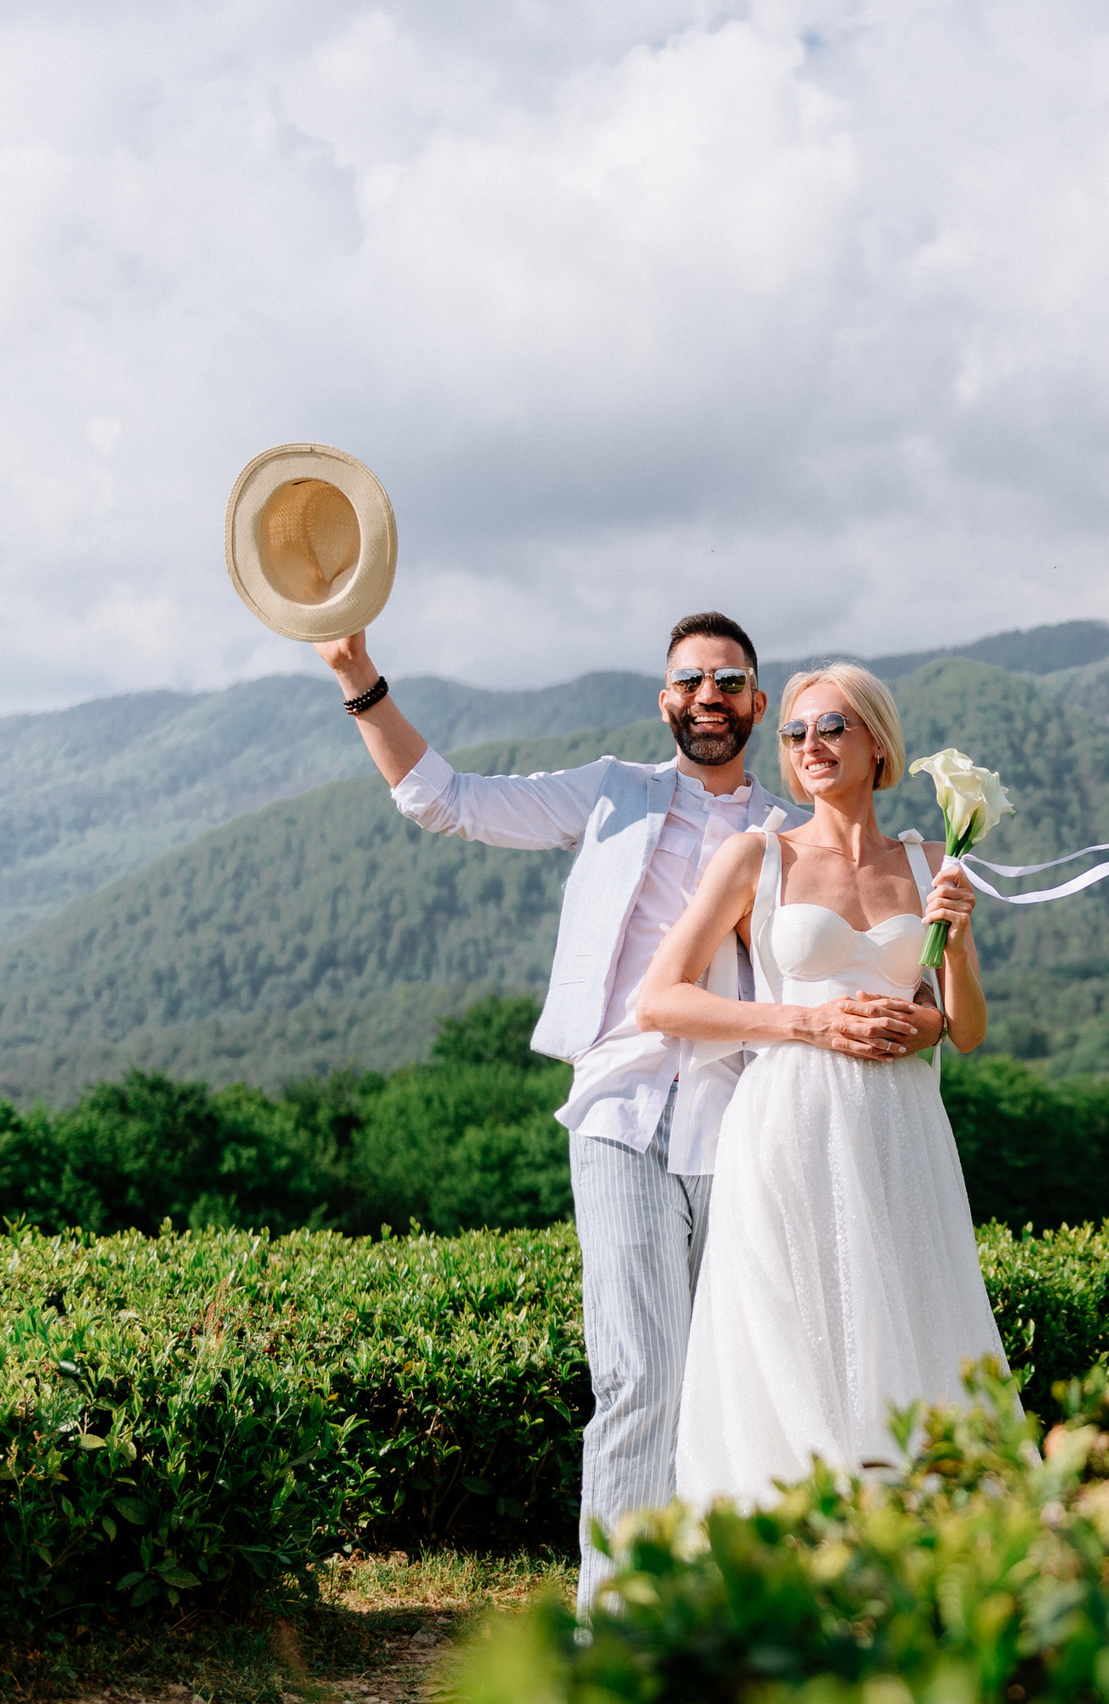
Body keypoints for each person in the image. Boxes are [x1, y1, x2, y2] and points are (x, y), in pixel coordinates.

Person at [312, 619, 944, 1607]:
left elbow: (874, 969)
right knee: (640, 1376)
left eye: (728, 681)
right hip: (620, 1111)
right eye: (688, 680)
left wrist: (921, 1012)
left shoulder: (788, 834)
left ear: (758, 704)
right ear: (665, 701)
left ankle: (711, 1609)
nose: (707, 696)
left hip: (747, 1123)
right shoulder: (611, 792)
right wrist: (359, 677)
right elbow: (444, 800)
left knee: (738, 1377)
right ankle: (610, 1625)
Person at [635, 662, 1010, 1506]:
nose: (811, 745)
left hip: (902, 1125)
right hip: (790, 1120)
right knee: (797, 1329)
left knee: (909, 1318)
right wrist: (806, 1023)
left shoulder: (930, 861)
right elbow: (661, 999)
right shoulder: (756, 856)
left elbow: (968, 1030)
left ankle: (914, 1535)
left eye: (833, 727)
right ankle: (801, 1533)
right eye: (796, 732)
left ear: (879, 744)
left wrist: (953, 948)